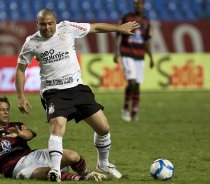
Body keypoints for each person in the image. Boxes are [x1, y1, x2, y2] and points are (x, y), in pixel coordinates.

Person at [15, 8, 140, 181]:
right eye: (43, 24)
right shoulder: (31, 43)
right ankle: (55, 171)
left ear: (55, 22)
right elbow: (21, 69)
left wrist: (118, 29)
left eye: (50, 23)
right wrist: (21, 96)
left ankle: (103, 163)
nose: (47, 27)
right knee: (57, 127)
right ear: (37, 24)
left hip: (77, 88)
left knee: (103, 128)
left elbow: (94, 28)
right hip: (54, 93)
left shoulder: (67, 28)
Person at [0, 97, 107, 182]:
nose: (6, 112)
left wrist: (19, 134)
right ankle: (79, 180)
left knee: (73, 156)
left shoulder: (16, 126)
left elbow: (30, 134)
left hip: (33, 155)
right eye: (2, 110)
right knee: (47, 172)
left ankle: (86, 175)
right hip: (15, 168)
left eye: (8, 109)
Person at [114, 0, 154, 122]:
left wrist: (151, 57)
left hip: (140, 55)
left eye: (141, 3)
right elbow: (118, 35)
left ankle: (134, 111)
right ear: (134, 5)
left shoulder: (147, 21)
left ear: (144, 5)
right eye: (137, 3)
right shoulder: (126, 18)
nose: (139, 5)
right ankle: (126, 108)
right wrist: (116, 52)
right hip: (127, 53)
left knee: (137, 84)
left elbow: (146, 40)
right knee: (131, 82)